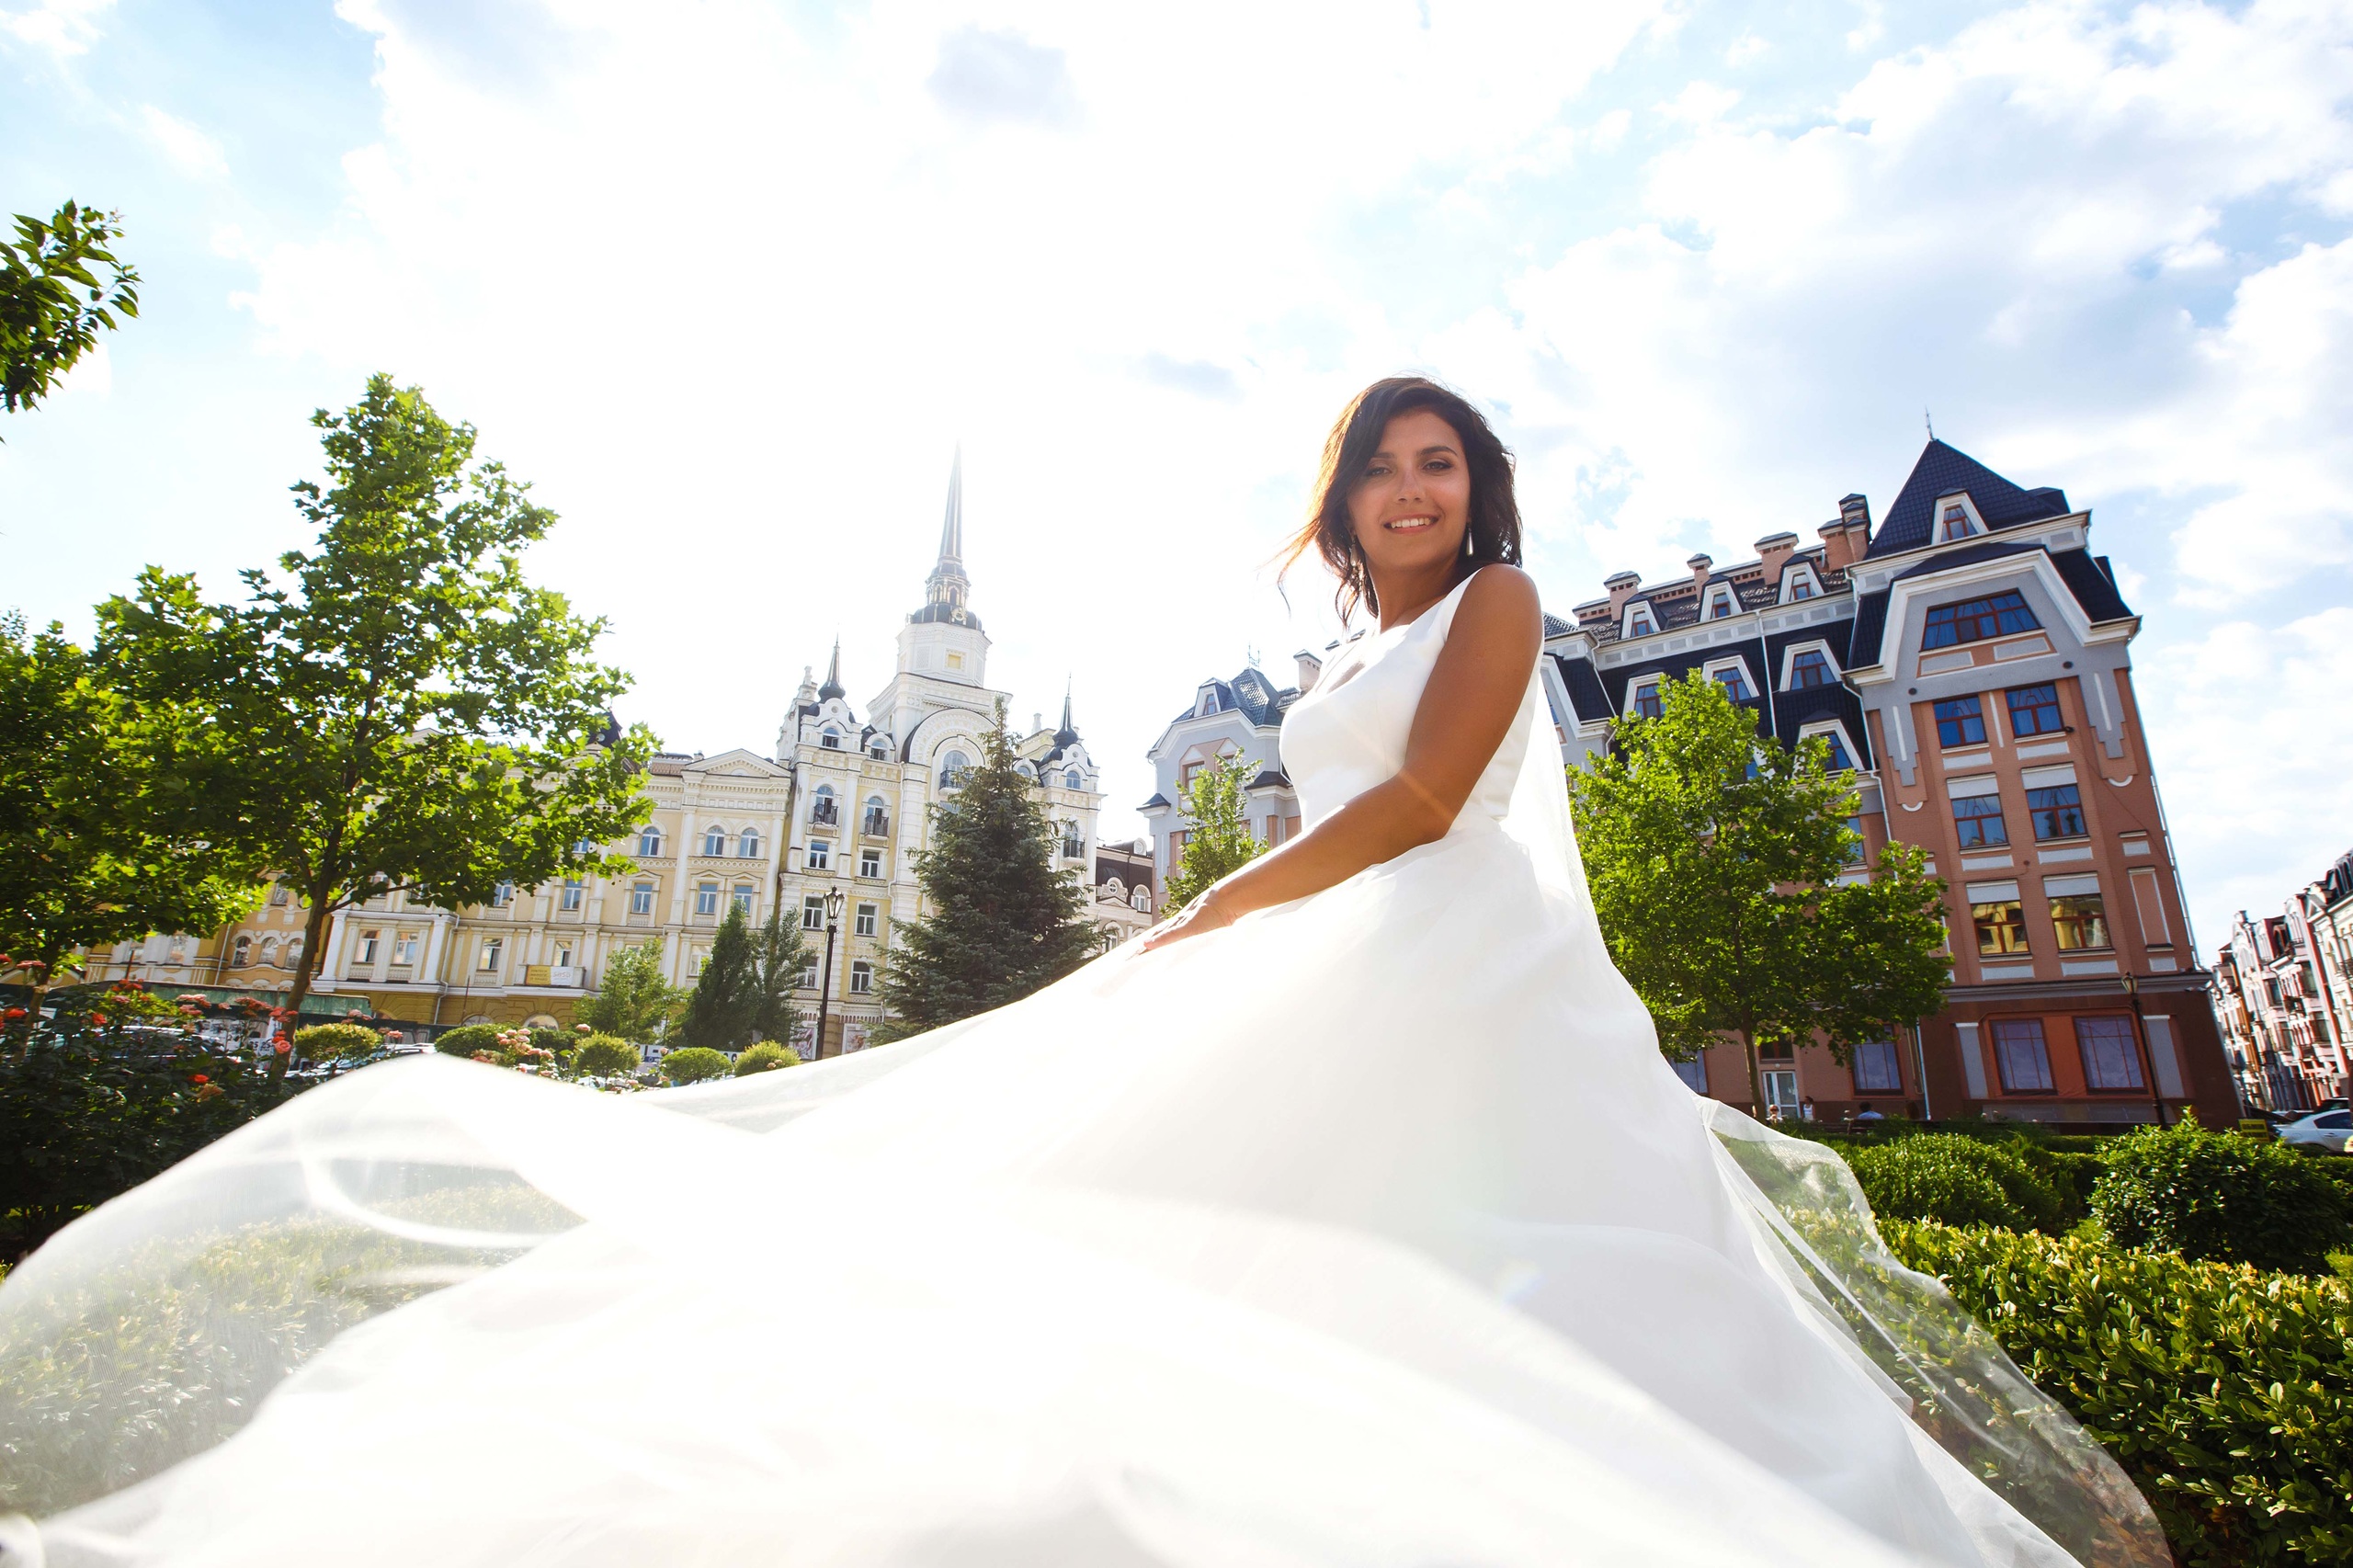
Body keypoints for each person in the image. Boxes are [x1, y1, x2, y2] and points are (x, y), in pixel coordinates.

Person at [0, 379, 2166, 1568]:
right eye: (1385, 466)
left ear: (1473, 489)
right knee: (1273, 1257)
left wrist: (1209, 916)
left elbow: (1428, 802)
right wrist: (1237, 917)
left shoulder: (1498, 607)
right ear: (1346, 499)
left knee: (1555, 1269)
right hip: (1347, 955)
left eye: (1442, 462)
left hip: (1449, 962)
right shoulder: (1342, 638)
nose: (1415, 489)